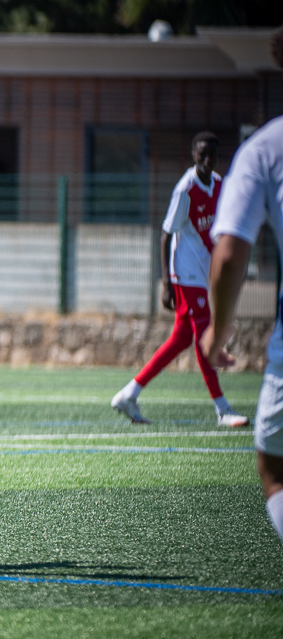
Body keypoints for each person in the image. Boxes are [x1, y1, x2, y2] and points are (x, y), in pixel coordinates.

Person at [200, 23, 283, 550]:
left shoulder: (264, 148)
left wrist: (218, 331)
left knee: (274, 471)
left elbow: (229, 254)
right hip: (184, 278)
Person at [111, 132, 248, 427]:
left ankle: (128, 394)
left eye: (212, 154)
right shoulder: (185, 189)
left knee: (181, 339)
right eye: (202, 154)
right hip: (185, 275)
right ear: (193, 155)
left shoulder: (219, 185)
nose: (208, 159)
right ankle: (223, 409)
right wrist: (166, 283)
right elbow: (166, 235)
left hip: (202, 273)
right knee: (203, 338)